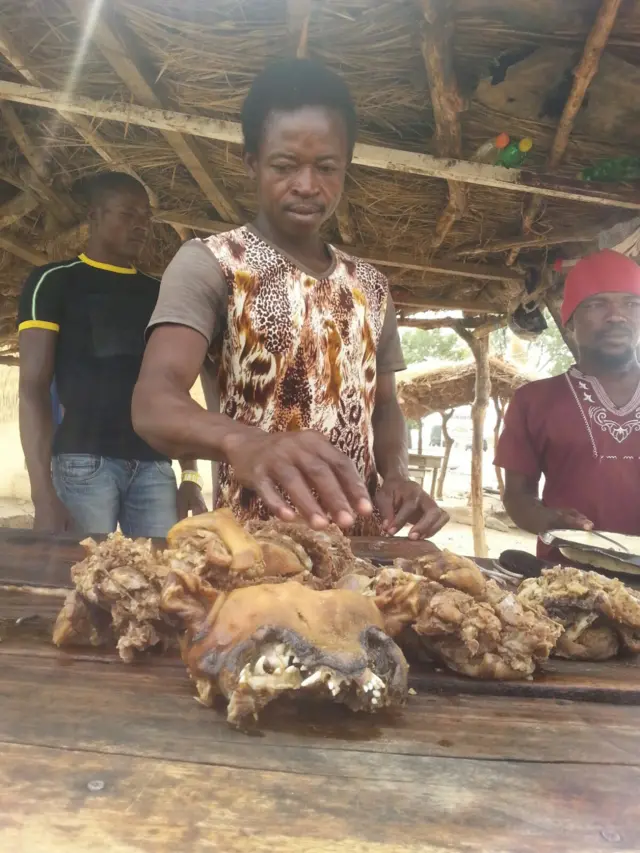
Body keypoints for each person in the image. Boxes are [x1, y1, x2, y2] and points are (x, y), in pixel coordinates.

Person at [132, 59, 448, 540]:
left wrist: (398, 477)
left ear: (345, 168)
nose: (306, 184)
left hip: (360, 545)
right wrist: (247, 443)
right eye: (284, 165)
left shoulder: (370, 284)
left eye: (326, 167)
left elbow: (384, 408)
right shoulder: (212, 263)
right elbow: (154, 402)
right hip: (251, 545)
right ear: (252, 163)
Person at [18, 171, 207, 537]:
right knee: (79, 582)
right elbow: (32, 390)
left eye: (146, 218)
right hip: (82, 464)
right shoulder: (54, 281)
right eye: (128, 214)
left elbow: (176, 393)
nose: (141, 226)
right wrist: (43, 495)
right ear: (94, 216)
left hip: (155, 468)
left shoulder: (160, 293)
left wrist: (191, 475)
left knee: (161, 583)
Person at [495, 249, 640, 560]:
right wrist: (548, 519)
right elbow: (517, 496)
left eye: (631, 303)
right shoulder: (533, 401)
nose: (617, 315)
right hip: (563, 581)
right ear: (570, 319)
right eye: (597, 304)